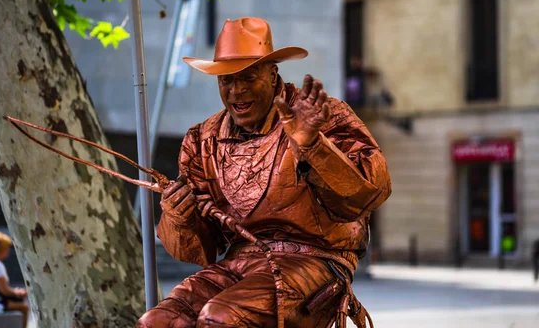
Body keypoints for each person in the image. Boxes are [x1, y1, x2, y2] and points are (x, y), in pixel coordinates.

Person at [137, 17, 392, 327]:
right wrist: (180, 215)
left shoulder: (323, 114)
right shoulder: (202, 139)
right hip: (241, 260)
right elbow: (200, 249)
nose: (236, 91)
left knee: (220, 318)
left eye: (248, 77)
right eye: (226, 80)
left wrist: (313, 145)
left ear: (273, 75)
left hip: (316, 260)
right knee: (159, 321)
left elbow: (371, 191)